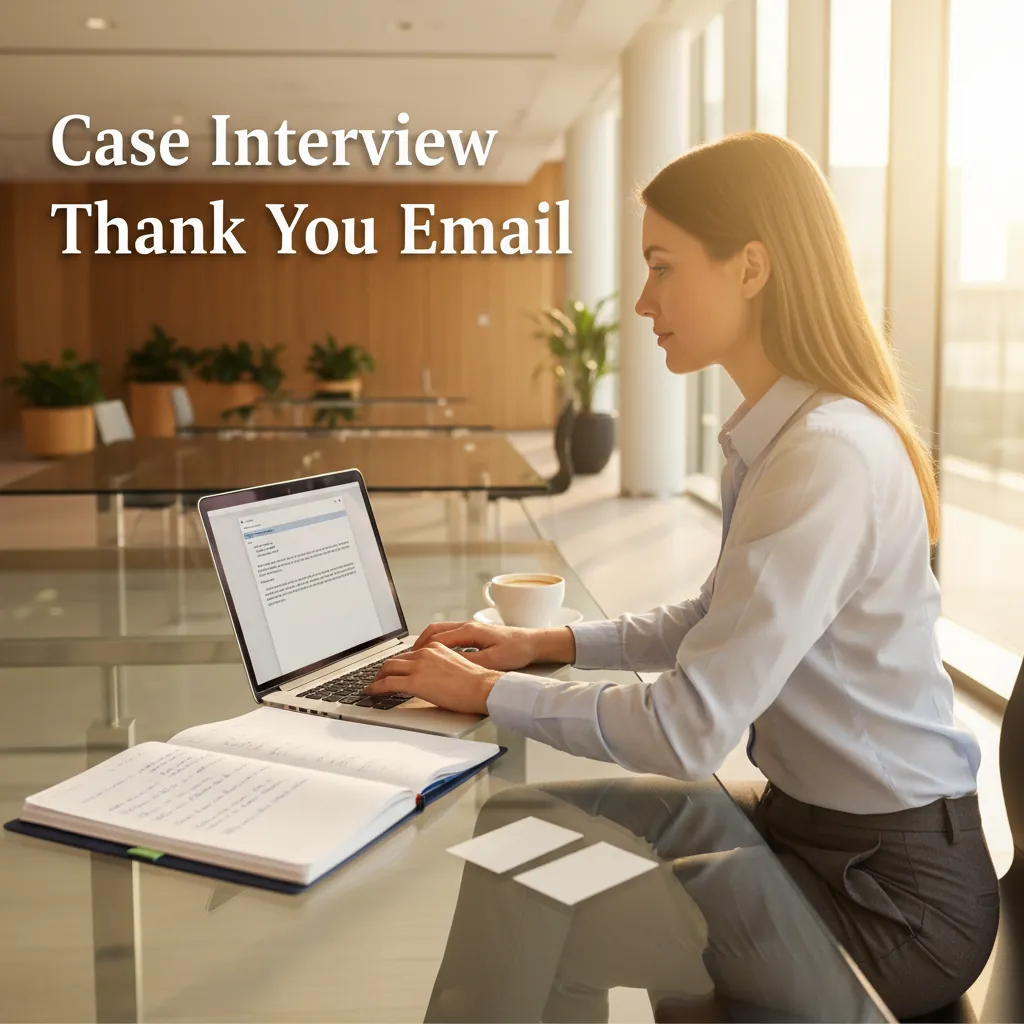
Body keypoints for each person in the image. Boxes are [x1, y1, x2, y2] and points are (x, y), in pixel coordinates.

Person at [365, 132, 999, 1019]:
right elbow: (715, 613)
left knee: (539, 895)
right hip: (805, 830)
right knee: (520, 826)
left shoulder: (827, 456)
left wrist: (486, 694)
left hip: (890, 903)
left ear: (750, 267)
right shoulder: (779, 434)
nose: (640, 300)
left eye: (663, 267)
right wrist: (543, 643)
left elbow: (690, 729)